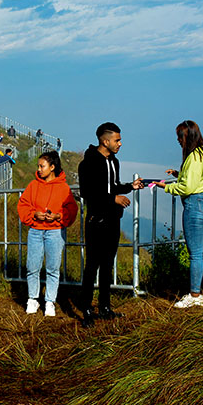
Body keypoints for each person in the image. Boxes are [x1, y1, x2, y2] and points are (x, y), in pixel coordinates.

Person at [78, 122, 144, 328]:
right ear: (105, 141)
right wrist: (113, 199)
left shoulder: (114, 162)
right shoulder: (88, 163)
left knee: (107, 264)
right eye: (117, 140)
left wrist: (129, 187)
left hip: (113, 220)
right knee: (92, 266)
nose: (120, 143)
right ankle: (86, 309)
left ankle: (105, 307)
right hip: (96, 220)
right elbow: (88, 193)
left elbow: (112, 186)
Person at [155, 120, 203, 309]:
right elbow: (200, 178)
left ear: (187, 136)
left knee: (195, 253)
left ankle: (194, 294)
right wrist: (178, 173)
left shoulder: (192, 156)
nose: (178, 140)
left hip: (196, 204)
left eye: (179, 136)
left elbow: (188, 186)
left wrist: (166, 186)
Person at [18, 151, 79, 317]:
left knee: (53, 268)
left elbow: (72, 209)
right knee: (32, 266)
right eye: (38, 166)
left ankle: (50, 301)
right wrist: (34, 214)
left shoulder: (64, 188)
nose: (39, 169)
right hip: (35, 230)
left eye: (42, 166)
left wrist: (58, 216)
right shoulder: (33, 185)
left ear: (52, 167)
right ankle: (32, 299)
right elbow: (23, 205)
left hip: (55, 231)